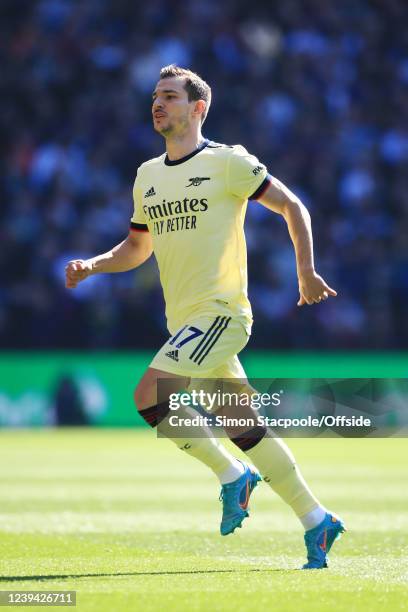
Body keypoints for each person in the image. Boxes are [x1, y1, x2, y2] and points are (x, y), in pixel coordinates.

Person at [65, 65, 345, 569]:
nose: (158, 103)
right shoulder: (147, 175)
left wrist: (306, 270)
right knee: (246, 428)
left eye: (169, 96)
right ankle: (316, 520)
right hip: (186, 324)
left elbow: (292, 206)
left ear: (199, 108)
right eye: (155, 96)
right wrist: (94, 265)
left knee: (150, 396)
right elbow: (136, 247)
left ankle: (231, 476)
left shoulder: (228, 162)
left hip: (222, 315)